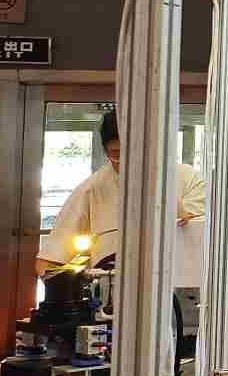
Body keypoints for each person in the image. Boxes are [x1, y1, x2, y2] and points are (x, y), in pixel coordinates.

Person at [38, 111, 208, 271]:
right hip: (111, 286)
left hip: (178, 282)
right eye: (117, 154)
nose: (128, 162)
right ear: (106, 152)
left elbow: (203, 237)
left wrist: (175, 211)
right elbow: (48, 262)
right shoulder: (91, 189)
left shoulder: (188, 180)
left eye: (135, 152)